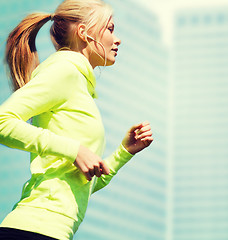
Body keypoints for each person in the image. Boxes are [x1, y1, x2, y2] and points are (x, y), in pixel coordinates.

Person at [0, 0, 153, 239]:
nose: (118, 39)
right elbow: (3, 122)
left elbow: (83, 183)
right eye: (110, 29)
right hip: (33, 228)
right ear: (84, 33)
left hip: (53, 231)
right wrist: (74, 150)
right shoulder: (64, 71)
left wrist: (124, 151)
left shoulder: (79, 84)